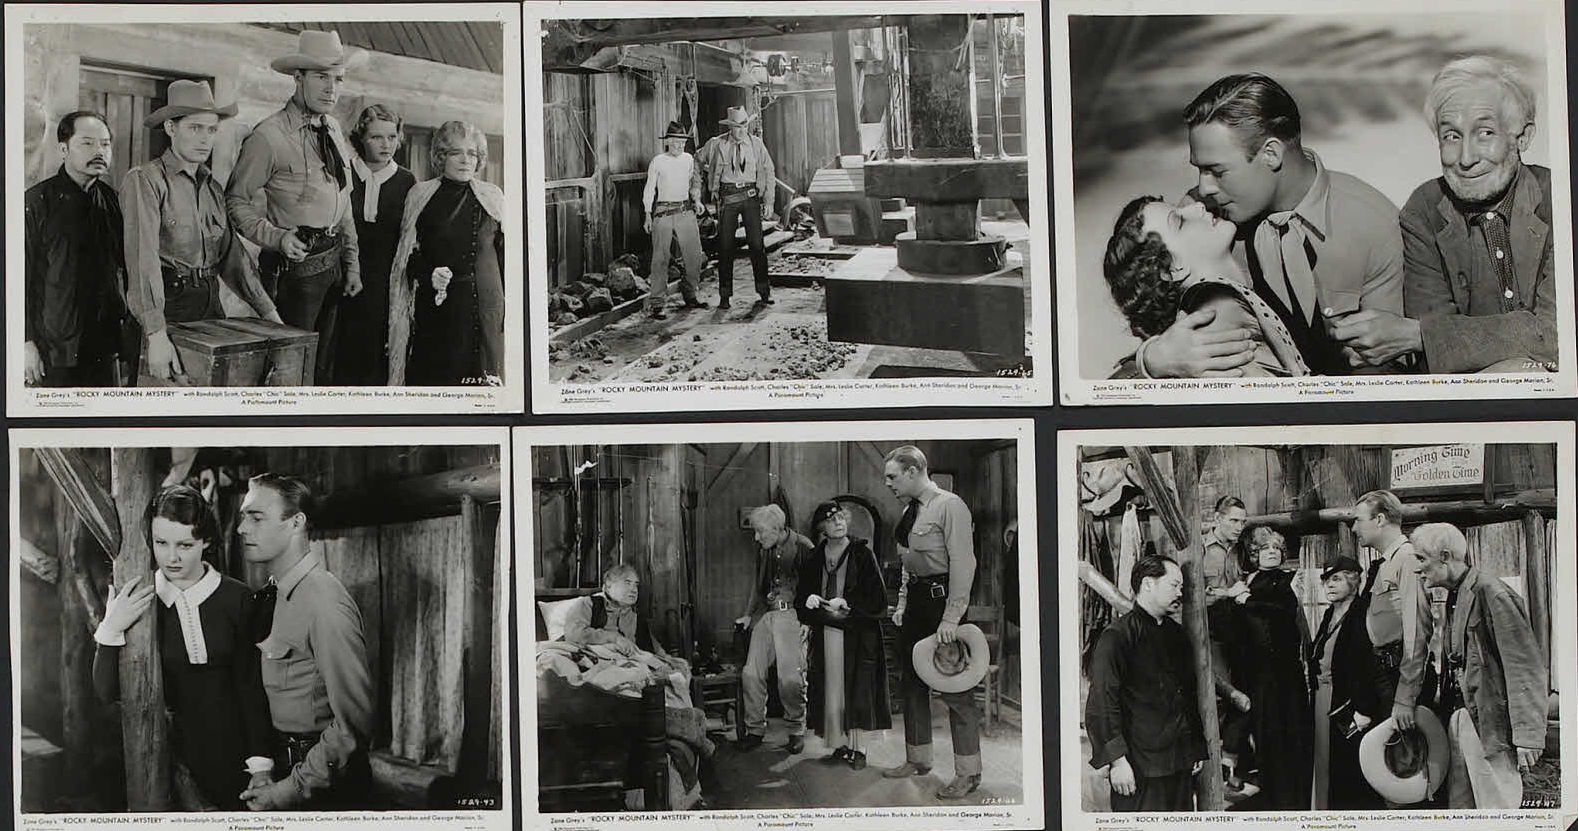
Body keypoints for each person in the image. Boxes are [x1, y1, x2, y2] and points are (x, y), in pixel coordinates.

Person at [1137, 73, 1405, 377]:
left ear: (1271, 154)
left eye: (1217, 170)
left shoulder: (1373, 224)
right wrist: (1152, 359)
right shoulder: (1203, 217)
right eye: (1199, 169)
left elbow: (1385, 370)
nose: (1204, 188)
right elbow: (1151, 308)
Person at [91, 484, 273, 810]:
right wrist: (111, 627)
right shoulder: (136, 600)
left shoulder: (239, 599)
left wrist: (260, 767)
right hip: (162, 764)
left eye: (185, 545)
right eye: (161, 543)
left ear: (206, 542)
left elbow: (251, 688)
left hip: (231, 762)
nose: (171, 557)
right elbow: (106, 692)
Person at [1398, 57, 1559, 373]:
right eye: (1452, 136)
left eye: (1485, 133)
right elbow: (1435, 354)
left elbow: (1559, 334)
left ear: (1522, 138)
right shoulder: (1425, 210)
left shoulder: (1559, 198)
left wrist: (1427, 337)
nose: (1466, 158)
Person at [226, 30, 364, 383]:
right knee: (289, 373)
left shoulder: (333, 129)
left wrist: (351, 266)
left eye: (338, 79)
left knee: (322, 369)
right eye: (321, 77)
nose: (331, 88)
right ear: (297, 78)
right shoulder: (268, 136)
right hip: (294, 273)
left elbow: (342, 200)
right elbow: (235, 201)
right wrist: (276, 238)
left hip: (333, 267)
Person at [123, 80, 280, 383]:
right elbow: (142, 262)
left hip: (210, 309)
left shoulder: (213, 188)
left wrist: (270, 315)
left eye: (211, 130)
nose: (205, 139)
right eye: (195, 128)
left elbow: (234, 259)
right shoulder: (145, 181)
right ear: (171, 128)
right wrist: (156, 335)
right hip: (166, 311)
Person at [236, 473, 374, 810]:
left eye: (255, 517)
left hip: (324, 787)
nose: (241, 528)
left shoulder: (323, 601)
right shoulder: (272, 595)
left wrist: (285, 792)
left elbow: (352, 726)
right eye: (243, 517)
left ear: (296, 522)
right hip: (284, 768)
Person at [1411, 523, 1546, 808]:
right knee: (1462, 810)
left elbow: (1524, 666)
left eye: (1422, 558)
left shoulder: (1491, 592)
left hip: (1491, 727)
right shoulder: (1455, 595)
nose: (1418, 568)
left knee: (1497, 811)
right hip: (1461, 719)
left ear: (1445, 556)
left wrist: (1528, 735)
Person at [1103, 196, 1310, 377]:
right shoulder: (1216, 316)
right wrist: (1150, 360)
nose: (1198, 206)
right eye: (1180, 222)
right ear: (1173, 269)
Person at [880, 445, 983, 799]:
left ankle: (968, 773)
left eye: (892, 476)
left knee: (955, 689)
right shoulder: (910, 511)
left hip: (942, 606)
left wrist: (952, 617)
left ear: (913, 471)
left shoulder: (949, 506)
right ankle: (919, 758)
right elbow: (909, 563)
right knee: (911, 685)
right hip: (916, 608)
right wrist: (903, 604)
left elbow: (964, 565)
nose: (888, 484)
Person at [386, 120, 506, 386]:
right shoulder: (420, 195)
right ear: (441, 156)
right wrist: (429, 273)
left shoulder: (493, 197)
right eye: (456, 152)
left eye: (472, 153)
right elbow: (407, 258)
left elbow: (507, 257)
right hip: (440, 307)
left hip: (486, 304)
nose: (466, 160)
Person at [1085, 555, 1206, 811]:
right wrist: (1117, 761)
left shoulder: (1178, 636)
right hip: (1140, 767)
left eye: (1181, 587)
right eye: (1174, 585)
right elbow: (1102, 703)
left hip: (1180, 762)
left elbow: (1188, 696)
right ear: (1149, 584)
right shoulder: (1117, 636)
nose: (1179, 593)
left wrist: (1195, 747)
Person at [23, 110, 127, 387]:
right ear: (63, 149)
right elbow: (17, 279)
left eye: (105, 144)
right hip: (53, 350)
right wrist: (25, 342)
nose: (99, 151)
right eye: (87, 143)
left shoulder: (113, 202)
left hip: (105, 347)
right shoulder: (36, 202)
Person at [796, 501, 891, 770]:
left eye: (841, 517)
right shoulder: (815, 557)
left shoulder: (862, 554)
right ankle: (839, 745)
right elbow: (803, 596)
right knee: (832, 688)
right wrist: (810, 599)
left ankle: (858, 749)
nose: (838, 522)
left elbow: (878, 599)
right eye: (831, 519)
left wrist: (848, 603)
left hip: (857, 636)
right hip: (826, 634)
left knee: (857, 690)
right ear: (821, 527)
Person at [1232, 527, 1313, 809]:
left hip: (1283, 675)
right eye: (1264, 549)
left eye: (1275, 549)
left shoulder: (1286, 581)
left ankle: (1291, 803)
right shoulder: (1251, 580)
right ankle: (1272, 798)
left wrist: (1247, 601)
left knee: (1286, 736)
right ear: (1255, 554)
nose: (1270, 553)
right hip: (1258, 673)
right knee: (1265, 736)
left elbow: (1283, 611)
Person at [336, 104, 415, 384]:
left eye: (392, 137)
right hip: (341, 276)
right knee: (338, 350)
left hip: (385, 282)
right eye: (376, 137)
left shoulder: (407, 181)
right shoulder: (342, 173)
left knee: (375, 355)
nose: (386, 145)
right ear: (361, 137)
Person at [1350, 490, 1431, 735]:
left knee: (1405, 761)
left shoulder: (1407, 560)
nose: (1354, 528)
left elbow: (1416, 632)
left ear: (1380, 520)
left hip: (1399, 676)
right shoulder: (1387, 563)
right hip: (1383, 673)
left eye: (1358, 520)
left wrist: (1406, 696)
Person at [734, 504, 813, 753]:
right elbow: (758, 584)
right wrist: (748, 615)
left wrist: (809, 621)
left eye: (760, 532)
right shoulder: (765, 549)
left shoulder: (803, 547)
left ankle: (795, 729)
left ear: (777, 529)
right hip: (767, 615)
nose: (757, 537)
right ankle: (755, 729)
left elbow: (816, 588)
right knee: (751, 673)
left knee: (790, 678)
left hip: (793, 615)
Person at [1307, 556, 1384, 810]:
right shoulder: (1330, 613)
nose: (1330, 585)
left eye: (1337, 579)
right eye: (1327, 580)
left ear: (1354, 581)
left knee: (1347, 771)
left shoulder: (1362, 613)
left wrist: (1364, 708)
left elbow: (1367, 665)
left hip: (1347, 704)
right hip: (1322, 700)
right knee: (1324, 764)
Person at [696, 106, 775, 309]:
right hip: (727, 198)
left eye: (744, 126)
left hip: (750, 198)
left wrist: (769, 201)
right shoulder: (716, 144)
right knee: (725, 247)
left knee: (757, 245)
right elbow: (696, 162)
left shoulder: (757, 145)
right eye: (737, 127)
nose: (741, 131)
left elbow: (768, 171)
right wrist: (696, 191)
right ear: (730, 127)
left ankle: (764, 291)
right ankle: (724, 296)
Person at [1202, 497, 1253, 792]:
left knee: (1245, 698)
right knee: (1223, 697)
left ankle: (1231, 763)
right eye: (1234, 520)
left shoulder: (1240, 552)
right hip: (1211, 636)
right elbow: (1192, 598)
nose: (1239, 527)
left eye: (1242, 521)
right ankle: (1214, 771)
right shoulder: (1201, 551)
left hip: (1237, 635)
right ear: (1217, 518)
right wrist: (1227, 592)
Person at [642, 120, 709, 320]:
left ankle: (690, 294)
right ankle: (657, 304)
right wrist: (647, 214)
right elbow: (649, 189)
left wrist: (697, 200)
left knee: (694, 255)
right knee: (660, 259)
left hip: (684, 209)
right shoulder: (658, 161)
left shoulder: (688, 159)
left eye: (682, 142)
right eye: (676, 141)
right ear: (668, 142)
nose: (680, 145)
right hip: (662, 211)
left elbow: (694, 181)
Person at [562, 563, 670, 658]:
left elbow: (653, 649)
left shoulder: (636, 618)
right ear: (608, 586)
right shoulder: (589, 604)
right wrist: (614, 638)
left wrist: (667, 658)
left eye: (636, 585)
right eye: (627, 583)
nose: (634, 590)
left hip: (624, 664)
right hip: (591, 658)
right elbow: (573, 634)